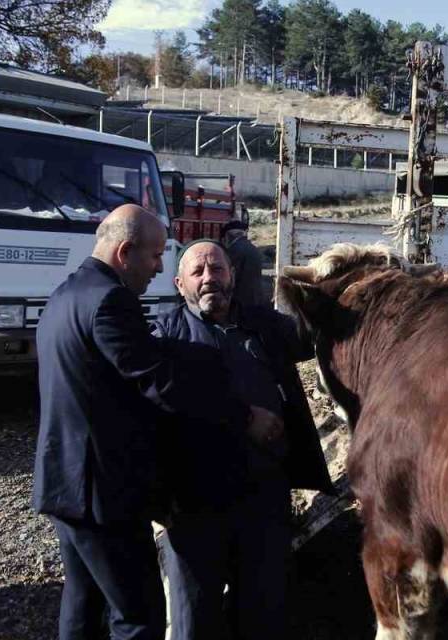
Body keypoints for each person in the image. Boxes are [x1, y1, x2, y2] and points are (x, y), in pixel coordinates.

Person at [33, 204, 283, 640]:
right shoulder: (110, 301)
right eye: (153, 256)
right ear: (125, 252)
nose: (157, 267)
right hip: (103, 493)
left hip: (64, 483)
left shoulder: (65, 295)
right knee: (138, 616)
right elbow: (158, 382)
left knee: (83, 606)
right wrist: (244, 416)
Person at [154, 240, 333, 640]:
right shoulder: (165, 337)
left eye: (217, 269)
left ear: (233, 275)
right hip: (195, 506)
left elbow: (318, 333)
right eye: (197, 271)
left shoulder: (265, 325)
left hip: (263, 499)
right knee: (194, 617)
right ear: (179, 284)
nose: (209, 278)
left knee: (262, 613)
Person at [219, 220, 267, 308]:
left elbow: (231, 277)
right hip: (255, 297)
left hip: (241, 299)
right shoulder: (252, 247)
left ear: (228, 236)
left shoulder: (235, 250)